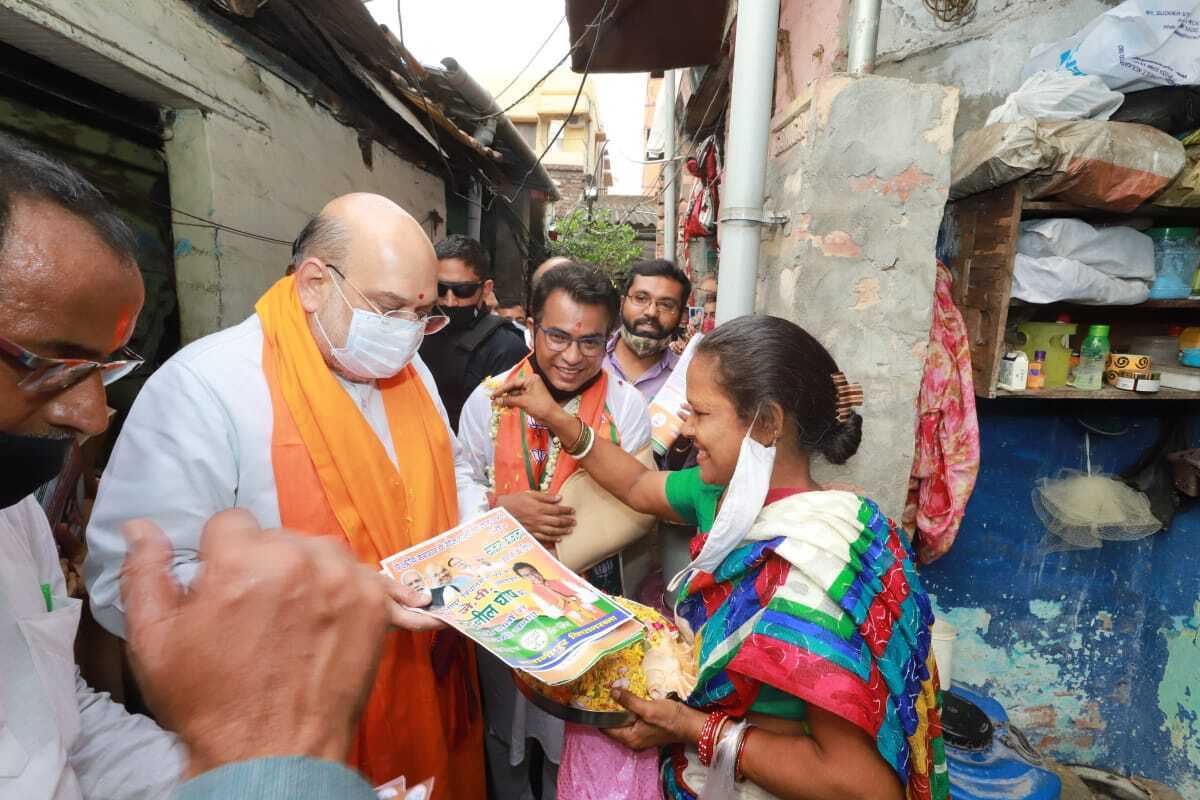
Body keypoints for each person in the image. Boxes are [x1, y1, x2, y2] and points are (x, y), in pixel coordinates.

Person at [0, 135, 416, 799]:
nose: (93, 415)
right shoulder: (206, 382)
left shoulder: (14, 518)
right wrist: (269, 768)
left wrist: (235, 771)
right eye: (56, 365)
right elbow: (138, 585)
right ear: (315, 283)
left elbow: (62, 724)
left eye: (106, 370)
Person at [84, 194, 487, 796]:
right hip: (277, 724)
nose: (407, 334)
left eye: (422, 315)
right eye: (389, 309)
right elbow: (126, 586)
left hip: (427, 684)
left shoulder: (411, 371)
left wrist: (485, 540)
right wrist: (336, 599)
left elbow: (450, 472)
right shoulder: (206, 387)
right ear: (313, 284)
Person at [495, 315, 949, 800]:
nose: (685, 430)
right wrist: (555, 415)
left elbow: (861, 786)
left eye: (701, 414)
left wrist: (692, 728)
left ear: (768, 423)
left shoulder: (811, 568)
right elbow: (635, 485)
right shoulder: (724, 494)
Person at [457, 264, 651, 800]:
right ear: (531, 329)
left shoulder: (625, 408)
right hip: (504, 606)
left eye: (590, 341)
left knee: (578, 745)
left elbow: (637, 500)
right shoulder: (489, 400)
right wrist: (500, 509)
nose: (571, 355)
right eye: (558, 336)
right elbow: (459, 480)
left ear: (609, 338)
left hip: (591, 609)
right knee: (507, 734)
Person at [419, 235, 528, 430]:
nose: (450, 301)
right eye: (441, 288)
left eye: (463, 290)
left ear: (486, 289)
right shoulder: (416, 332)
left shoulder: (506, 347)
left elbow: (506, 429)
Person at [604, 259, 690, 401]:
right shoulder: (587, 360)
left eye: (666, 305)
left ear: (681, 316)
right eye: (641, 298)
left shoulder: (685, 382)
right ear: (622, 303)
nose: (651, 312)